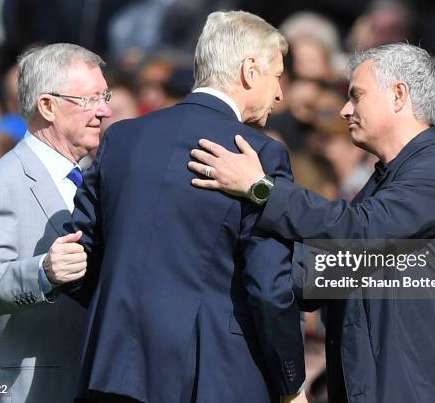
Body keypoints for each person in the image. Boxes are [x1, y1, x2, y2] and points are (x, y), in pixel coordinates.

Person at [188, 42, 435, 402]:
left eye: (357, 95)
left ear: (399, 95)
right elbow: (332, 270)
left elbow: (362, 231)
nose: (345, 109)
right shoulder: (387, 181)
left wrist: (260, 189)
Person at [71, 10, 306, 403]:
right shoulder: (258, 154)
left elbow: (79, 256)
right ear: (250, 71)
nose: (280, 92)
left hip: (112, 369)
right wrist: (292, 383)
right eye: (277, 75)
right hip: (211, 379)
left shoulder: (123, 139)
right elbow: (269, 288)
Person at [0, 43, 111, 403]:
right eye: (89, 99)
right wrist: (43, 272)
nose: (105, 110)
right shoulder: (0, 184)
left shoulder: (95, 177)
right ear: (47, 106)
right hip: (25, 391)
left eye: (105, 96)